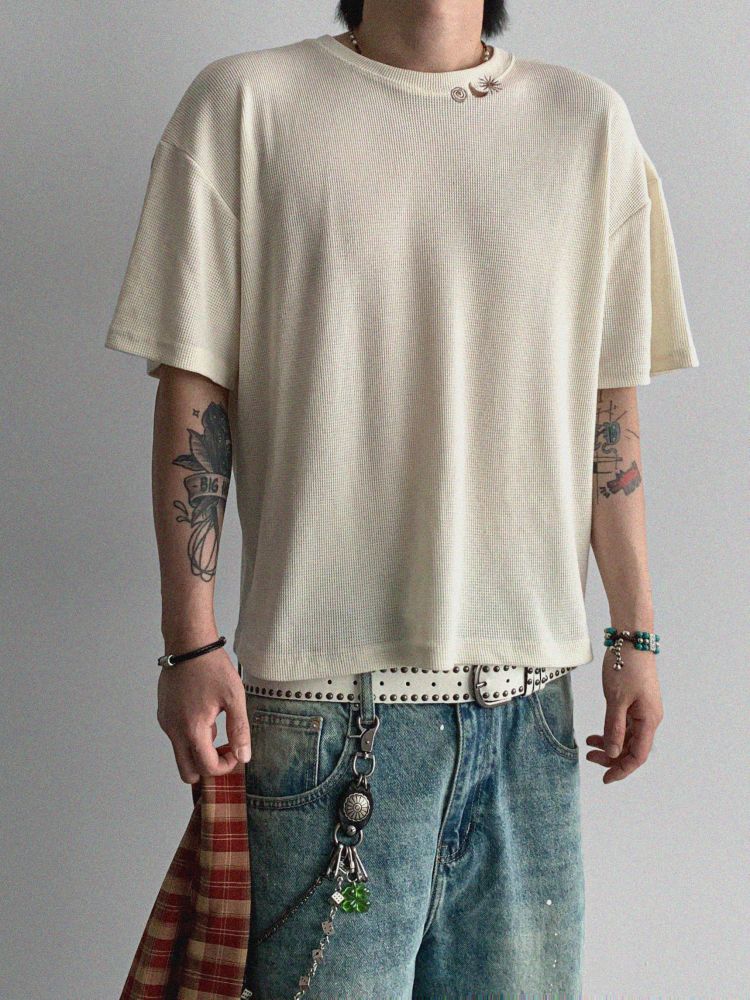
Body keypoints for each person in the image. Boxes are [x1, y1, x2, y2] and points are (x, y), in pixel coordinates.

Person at [104, 1, 699, 996]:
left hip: (530, 715)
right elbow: (194, 391)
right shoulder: (246, 106)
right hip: (325, 718)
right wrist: (189, 642)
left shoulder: (588, 123)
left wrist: (635, 635)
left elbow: (609, 406)